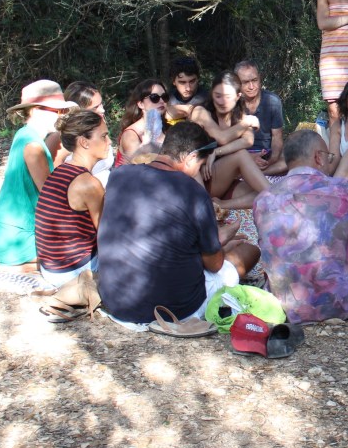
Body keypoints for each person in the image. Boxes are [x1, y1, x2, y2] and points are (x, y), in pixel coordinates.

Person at [97, 122, 260, 323]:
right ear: (191, 158)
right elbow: (215, 265)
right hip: (175, 310)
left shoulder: (119, 175)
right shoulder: (194, 192)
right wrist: (219, 241)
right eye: (200, 165)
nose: (197, 172)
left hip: (115, 301)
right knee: (250, 251)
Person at [252, 130, 348, 324]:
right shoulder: (341, 188)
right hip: (341, 304)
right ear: (318, 157)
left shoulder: (263, 199)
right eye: (329, 158)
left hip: (285, 308)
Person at [0, 80, 78, 269]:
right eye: (56, 110)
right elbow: (49, 197)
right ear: (36, 110)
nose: (61, 115)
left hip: (3, 233)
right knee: (82, 247)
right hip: (15, 239)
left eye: (63, 110)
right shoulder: (34, 145)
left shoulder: (24, 134)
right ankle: (16, 267)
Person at [35, 109, 108, 288]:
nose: (109, 142)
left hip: (49, 268)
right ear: (84, 142)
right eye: (104, 136)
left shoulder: (60, 171)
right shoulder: (89, 184)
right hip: (72, 272)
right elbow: (106, 234)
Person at [192, 71, 270, 209]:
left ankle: (222, 204)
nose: (222, 102)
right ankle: (278, 198)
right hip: (201, 180)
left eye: (227, 97)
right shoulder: (200, 112)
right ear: (211, 94)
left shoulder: (239, 115)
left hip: (224, 179)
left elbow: (248, 140)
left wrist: (216, 152)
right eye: (218, 96)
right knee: (241, 155)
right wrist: (247, 122)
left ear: (238, 96)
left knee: (261, 194)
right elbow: (221, 137)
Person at [234, 60, 286, 175]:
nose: (251, 87)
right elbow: (227, 141)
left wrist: (272, 159)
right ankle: (256, 174)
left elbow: (277, 137)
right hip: (241, 155)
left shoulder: (272, 101)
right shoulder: (232, 103)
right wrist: (250, 157)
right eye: (245, 82)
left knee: (288, 161)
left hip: (266, 155)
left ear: (260, 78)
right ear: (237, 83)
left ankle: (256, 174)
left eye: (254, 80)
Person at [64, 81, 114, 186]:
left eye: (101, 104)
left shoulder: (98, 126)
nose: (102, 110)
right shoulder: (69, 135)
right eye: (95, 107)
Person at [115, 78, 168, 166]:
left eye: (164, 97)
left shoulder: (167, 128)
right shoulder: (131, 135)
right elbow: (138, 168)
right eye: (154, 98)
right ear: (141, 104)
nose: (162, 101)